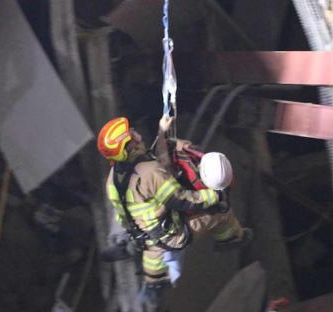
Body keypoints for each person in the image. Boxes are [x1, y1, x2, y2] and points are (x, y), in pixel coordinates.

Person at [96, 115, 252, 300]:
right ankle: (230, 239)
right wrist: (215, 195)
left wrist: (162, 132)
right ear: (129, 146)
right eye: (132, 134)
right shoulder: (151, 172)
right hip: (172, 236)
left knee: (154, 252)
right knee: (220, 211)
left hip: (141, 234)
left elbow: (151, 158)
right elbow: (183, 200)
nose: (137, 134)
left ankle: (154, 283)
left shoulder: (112, 178)